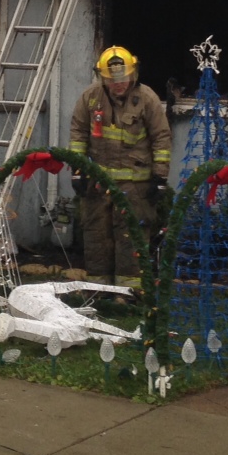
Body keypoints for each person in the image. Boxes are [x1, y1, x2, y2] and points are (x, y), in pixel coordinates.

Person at [69, 45, 172, 284]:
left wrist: (160, 178)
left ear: (133, 74)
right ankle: (98, 290)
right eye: (111, 79)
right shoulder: (90, 98)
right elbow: (78, 134)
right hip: (98, 185)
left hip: (135, 186)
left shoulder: (147, 99)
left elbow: (162, 138)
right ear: (102, 77)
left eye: (123, 78)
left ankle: (129, 293)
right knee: (96, 235)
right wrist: (77, 171)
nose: (118, 83)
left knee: (132, 237)